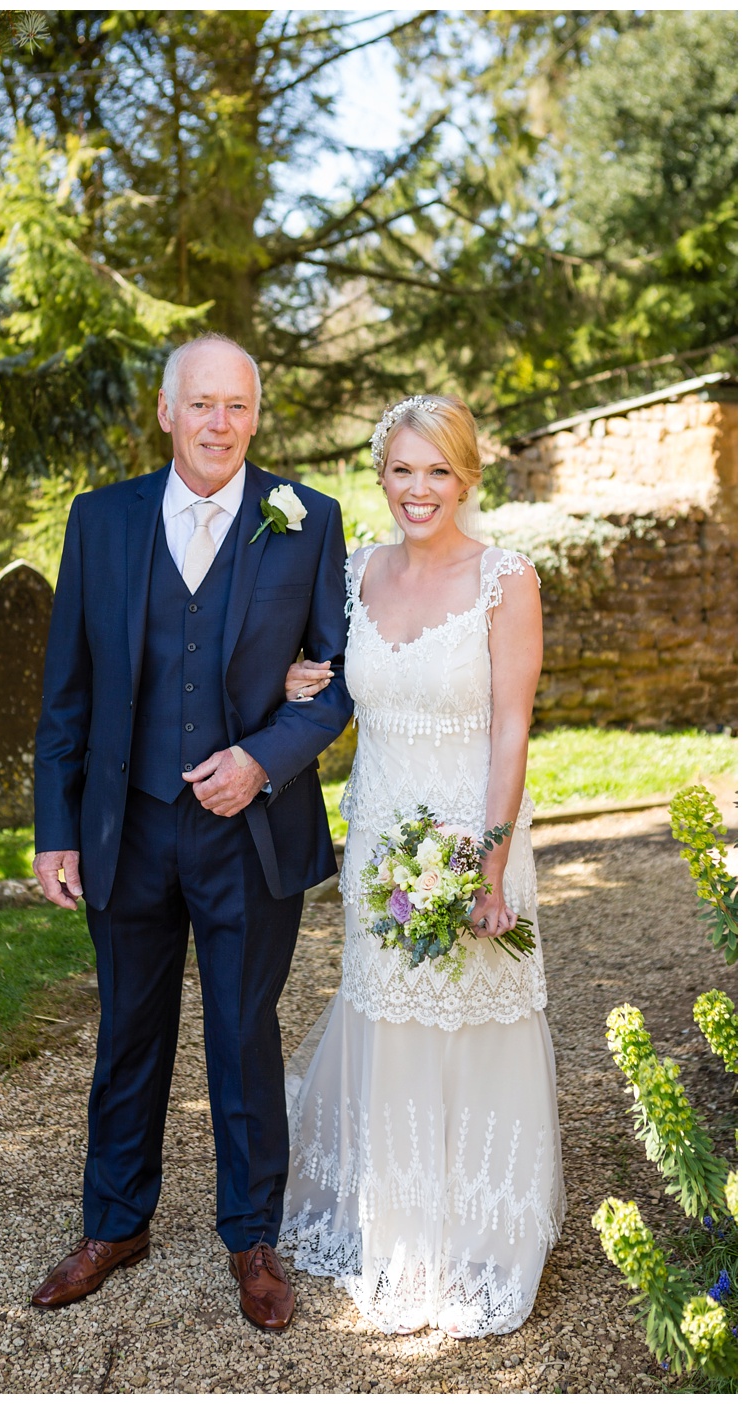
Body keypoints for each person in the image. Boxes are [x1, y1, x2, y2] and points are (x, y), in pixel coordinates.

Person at [29, 333, 352, 1330]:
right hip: (125, 829)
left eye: (239, 407)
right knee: (127, 1032)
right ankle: (114, 1224)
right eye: (202, 404)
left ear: (257, 416)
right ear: (166, 412)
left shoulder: (306, 519)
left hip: (249, 833)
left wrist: (263, 756)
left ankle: (250, 1236)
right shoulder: (100, 521)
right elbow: (66, 692)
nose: (221, 423)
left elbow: (340, 678)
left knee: (242, 1034)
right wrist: (56, 830)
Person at [279, 394, 565, 1337]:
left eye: (437, 470)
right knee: (393, 1014)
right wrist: (295, 678)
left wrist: (486, 863)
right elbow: (324, 672)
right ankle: (401, 1228)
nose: (418, 489)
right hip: (381, 840)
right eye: (402, 470)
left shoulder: (506, 579)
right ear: (382, 475)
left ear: (467, 477)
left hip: (471, 834)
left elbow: (513, 727)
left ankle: (482, 1232)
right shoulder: (355, 569)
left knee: (471, 1021)